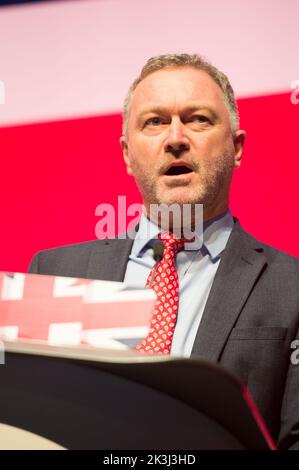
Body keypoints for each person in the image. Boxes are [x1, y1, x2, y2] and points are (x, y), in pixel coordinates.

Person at [29, 53, 299, 449]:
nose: (175, 138)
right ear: (126, 154)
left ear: (237, 147)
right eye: (154, 122)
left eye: (198, 119)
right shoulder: (55, 272)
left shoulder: (291, 287)